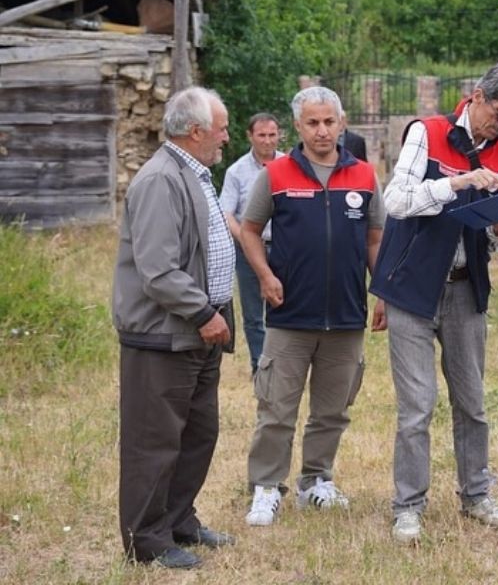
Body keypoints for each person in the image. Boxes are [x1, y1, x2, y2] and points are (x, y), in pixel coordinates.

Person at [370, 61, 498, 543]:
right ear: (478, 96)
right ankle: (408, 506)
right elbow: (396, 200)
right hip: (412, 287)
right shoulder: (426, 132)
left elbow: (496, 242)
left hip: (467, 288)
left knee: (473, 402)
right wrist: (457, 183)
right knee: (417, 406)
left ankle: (477, 495)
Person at [239, 86, 385, 527]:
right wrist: (265, 276)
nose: (322, 131)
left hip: (345, 315)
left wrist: (383, 292)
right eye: (312, 123)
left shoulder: (364, 175)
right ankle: (267, 486)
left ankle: (316, 481)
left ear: (342, 124)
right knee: (276, 409)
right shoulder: (276, 174)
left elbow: (375, 239)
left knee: (332, 410)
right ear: (298, 127)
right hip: (290, 314)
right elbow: (249, 230)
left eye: (329, 122)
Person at [112, 86, 236, 569]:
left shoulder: (194, 174)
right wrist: (204, 313)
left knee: (198, 434)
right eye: (221, 128)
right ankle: (146, 540)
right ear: (196, 131)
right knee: (154, 442)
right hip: (164, 335)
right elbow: (158, 270)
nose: (226, 136)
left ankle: (179, 519)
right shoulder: (161, 180)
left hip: (197, 333)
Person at [219, 112, 284, 374]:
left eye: (272, 135)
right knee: (254, 312)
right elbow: (226, 213)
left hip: (284, 248)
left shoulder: (290, 166)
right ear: (250, 136)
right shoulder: (236, 172)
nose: (267, 141)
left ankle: (284, 363)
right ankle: (260, 366)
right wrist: (246, 239)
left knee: (284, 306)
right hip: (249, 250)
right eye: (262, 135)